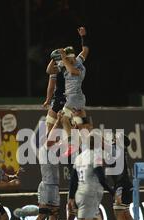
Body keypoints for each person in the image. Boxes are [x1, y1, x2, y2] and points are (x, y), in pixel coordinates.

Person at [61, 133, 115, 220]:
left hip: (83, 194)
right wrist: (113, 192)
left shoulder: (79, 157)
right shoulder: (96, 156)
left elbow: (73, 180)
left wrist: (71, 197)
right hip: (89, 195)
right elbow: (100, 177)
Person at [25, 112, 64, 220]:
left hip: (51, 186)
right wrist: (58, 120)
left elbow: (61, 142)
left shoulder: (50, 150)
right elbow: (51, 138)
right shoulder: (45, 148)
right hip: (48, 186)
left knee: (54, 214)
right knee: (43, 215)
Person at [49, 27, 89, 157]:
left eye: (68, 57)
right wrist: (54, 58)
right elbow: (50, 71)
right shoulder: (72, 61)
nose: (68, 59)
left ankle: (72, 143)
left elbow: (72, 71)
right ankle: (87, 142)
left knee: (65, 119)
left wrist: (63, 58)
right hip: (78, 98)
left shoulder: (74, 65)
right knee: (82, 121)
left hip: (73, 97)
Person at [110, 133, 141, 220]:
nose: (113, 139)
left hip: (121, 184)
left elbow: (101, 145)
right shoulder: (121, 150)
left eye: (115, 138)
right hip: (125, 183)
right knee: (125, 212)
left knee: (119, 212)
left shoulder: (117, 149)